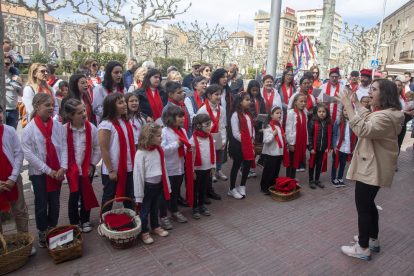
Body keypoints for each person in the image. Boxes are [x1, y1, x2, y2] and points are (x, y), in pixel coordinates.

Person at [337, 79, 403, 261]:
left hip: (372, 169)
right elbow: (368, 117)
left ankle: (363, 247)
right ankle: (372, 239)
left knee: (363, 208)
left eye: (374, 89)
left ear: (385, 94)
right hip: (373, 167)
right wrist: (356, 103)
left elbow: (362, 129)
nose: (369, 92)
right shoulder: (386, 114)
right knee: (369, 204)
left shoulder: (385, 117)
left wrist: (348, 107)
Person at [21, 93, 68, 248]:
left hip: (57, 170)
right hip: (40, 173)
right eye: (47, 105)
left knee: (54, 202)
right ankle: (42, 230)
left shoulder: (57, 126)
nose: (51, 108)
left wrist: (63, 167)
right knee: (41, 203)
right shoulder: (29, 129)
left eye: (52, 105)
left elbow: (64, 146)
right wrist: (48, 170)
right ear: (36, 107)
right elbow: (29, 154)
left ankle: (53, 227)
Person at [0, 105, 36, 256]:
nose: (0, 116)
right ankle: (2, 247)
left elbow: (18, 154)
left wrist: (13, 178)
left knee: (20, 210)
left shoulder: (9, 131)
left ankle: (24, 241)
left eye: (0, 112)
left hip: (12, 179)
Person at [63, 99, 100, 233]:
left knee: (86, 194)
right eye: (79, 113)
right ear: (71, 116)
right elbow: (62, 150)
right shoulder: (64, 130)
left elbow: (97, 149)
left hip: (87, 169)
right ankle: (74, 221)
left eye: (84, 110)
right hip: (72, 169)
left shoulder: (91, 128)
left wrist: (92, 164)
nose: (84, 114)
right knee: (73, 196)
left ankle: (85, 220)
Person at [98, 93, 135, 213]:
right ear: (111, 106)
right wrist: (111, 170)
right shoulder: (106, 125)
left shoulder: (126, 122)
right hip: (113, 168)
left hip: (128, 166)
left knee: (129, 195)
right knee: (109, 196)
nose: (125, 105)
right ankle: (104, 221)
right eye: (120, 103)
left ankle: (130, 218)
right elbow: (104, 149)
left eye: (124, 102)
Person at [133, 123, 170, 244]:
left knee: (155, 208)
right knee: (144, 211)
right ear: (149, 136)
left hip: (158, 185)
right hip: (147, 187)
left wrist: (166, 185)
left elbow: (163, 168)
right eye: (158, 136)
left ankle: (155, 226)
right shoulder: (141, 153)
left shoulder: (159, 150)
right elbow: (138, 175)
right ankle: (144, 231)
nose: (161, 138)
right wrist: (138, 193)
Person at [159, 105, 193, 228]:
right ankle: (163, 216)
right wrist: (177, 144)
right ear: (170, 118)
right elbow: (162, 150)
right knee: (164, 193)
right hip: (169, 168)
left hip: (179, 167)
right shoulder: (164, 132)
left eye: (183, 116)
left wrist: (188, 148)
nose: (183, 119)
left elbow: (183, 147)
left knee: (175, 191)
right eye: (179, 116)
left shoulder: (182, 131)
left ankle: (174, 211)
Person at [196, 84, 225, 197]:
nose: (219, 97)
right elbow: (199, 128)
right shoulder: (202, 110)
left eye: (220, 94)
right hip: (206, 141)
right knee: (206, 166)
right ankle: (204, 191)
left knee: (213, 163)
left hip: (217, 139)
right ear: (209, 95)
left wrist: (223, 140)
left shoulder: (221, 109)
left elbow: (222, 126)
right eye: (216, 94)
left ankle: (209, 190)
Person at [227, 92, 255, 199]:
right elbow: (236, 133)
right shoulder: (235, 115)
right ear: (240, 102)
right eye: (247, 100)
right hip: (239, 145)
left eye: (250, 100)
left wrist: (252, 139)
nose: (249, 102)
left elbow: (251, 129)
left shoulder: (248, 114)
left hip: (248, 144)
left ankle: (242, 185)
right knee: (236, 166)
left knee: (247, 165)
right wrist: (246, 141)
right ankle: (232, 188)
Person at [189, 114, 215, 218]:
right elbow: (191, 157)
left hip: (207, 168)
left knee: (203, 188)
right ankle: (195, 207)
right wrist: (192, 171)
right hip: (197, 170)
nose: (209, 127)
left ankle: (201, 205)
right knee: (196, 188)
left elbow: (213, 153)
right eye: (206, 124)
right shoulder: (193, 139)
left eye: (210, 124)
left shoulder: (210, 138)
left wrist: (212, 167)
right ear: (199, 126)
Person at [260, 106, 289, 195]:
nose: (279, 115)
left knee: (276, 170)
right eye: (277, 113)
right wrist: (273, 134)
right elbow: (265, 140)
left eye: (280, 113)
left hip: (278, 152)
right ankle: (264, 187)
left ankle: (272, 185)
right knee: (269, 170)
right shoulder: (268, 126)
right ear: (271, 115)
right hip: (271, 153)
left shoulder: (279, 126)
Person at [243, 80, 266, 178]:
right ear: (249, 89)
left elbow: (264, 111)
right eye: (253, 90)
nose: (255, 92)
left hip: (258, 126)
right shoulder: (247, 98)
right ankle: (244, 168)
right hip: (249, 125)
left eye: (257, 90)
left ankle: (249, 167)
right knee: (248, 147)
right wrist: (252, 119)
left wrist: (262, 118)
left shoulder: (261, 99)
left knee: (256, 147)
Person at [307, 104, 332, 189]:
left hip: (322, 148)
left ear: (327, 113)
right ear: (316, 112)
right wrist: (310, 148)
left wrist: (329, 147)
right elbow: (310, 136)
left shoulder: (328, 123)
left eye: (323, 111)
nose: (321, 113)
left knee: (319, 164)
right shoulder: (313, 122)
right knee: (312, 164)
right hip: (314, 148)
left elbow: (330, 135)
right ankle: (311, 180)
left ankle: (317, 179)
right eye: (319, 111)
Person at [331, 106, 357, 187]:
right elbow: (334, 134)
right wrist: (334, 146)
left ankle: (340, 177)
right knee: (335, 163)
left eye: (348, 110)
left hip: (347, 147)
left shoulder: (353, 122)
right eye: (345, 110)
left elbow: (355, 136)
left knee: (343, 163)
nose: (346, 112)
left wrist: (354, 147)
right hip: (339, 146)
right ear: (342, 111)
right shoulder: (338, 121)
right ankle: (334, 178)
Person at [285, 93, 308, 180]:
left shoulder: (305, 112)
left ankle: (293, 177)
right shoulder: (291, 113)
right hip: (294, 141)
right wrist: (291, 143)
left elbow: (305, 127)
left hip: (301, 140)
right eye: (301, 101)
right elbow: (289, 128)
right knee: (291, 161)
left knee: (297, 160)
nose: (303, 103)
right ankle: (288, 178)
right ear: (295, 102)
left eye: (304, 101)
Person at [395, 79, 414, 157]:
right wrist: (404, 112)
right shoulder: (388, 97)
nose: (397, 87)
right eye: (395, 85)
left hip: (402, 124)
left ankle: (395, 162)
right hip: (392, 124)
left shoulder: (404, 98)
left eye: (399, 85)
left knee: (399, 143)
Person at [4, 55, 23, 129]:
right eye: (3, 63)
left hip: (13, 111)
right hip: (2, 110)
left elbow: (21, 94)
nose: (5, 65)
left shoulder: (15, 75)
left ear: (11, 64)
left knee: (11, 135)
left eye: (7, 64)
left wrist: (20, 83)